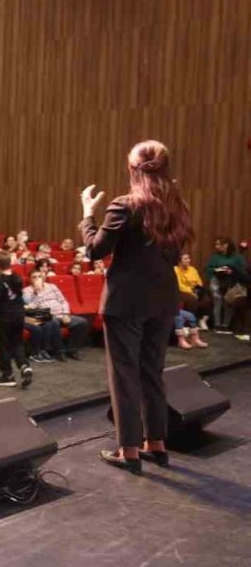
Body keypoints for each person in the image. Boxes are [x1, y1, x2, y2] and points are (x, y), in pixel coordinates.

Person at [81, 140, 193, 474]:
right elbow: (173, 256)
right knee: (152, 372)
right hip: (163, 300)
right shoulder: (178, 208)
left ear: (133, 170)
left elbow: (93, 250)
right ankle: (155, 444)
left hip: (126, 301)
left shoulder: (125, 205)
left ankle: (128, 449)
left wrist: (87, 213)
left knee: (124, 374)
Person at [0, 251, 32, 389]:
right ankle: (24, 365)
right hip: (19, 315)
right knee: (17, 342)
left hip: (5, 318)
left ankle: (7, 375)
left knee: (2, 346)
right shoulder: (17, 278)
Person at [22, 271, 90, 362]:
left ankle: (71, 350)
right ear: (30, 279)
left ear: (44, 277)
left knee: (82, 322)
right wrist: (36, 292)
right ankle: (60, 351)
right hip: (45, 316)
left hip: (61, 314)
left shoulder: (52, 287)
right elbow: (31, 307)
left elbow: (63, 301)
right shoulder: (27, 291)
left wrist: (66, 313)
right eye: (34, 277)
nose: (37, 278)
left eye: (39, 276)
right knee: (52, 320)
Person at [205, 236, 247, 335]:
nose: (216, 246)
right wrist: (217, 270)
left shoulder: (237, 257)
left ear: (226, 245)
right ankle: (217, 325)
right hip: (217, 280)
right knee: (217, 300)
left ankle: (225, 325)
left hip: (231, 281)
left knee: (228, 301)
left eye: (218, 244)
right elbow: (208, 270)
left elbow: (243, 271)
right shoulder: (215, 257)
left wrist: (231, 270)